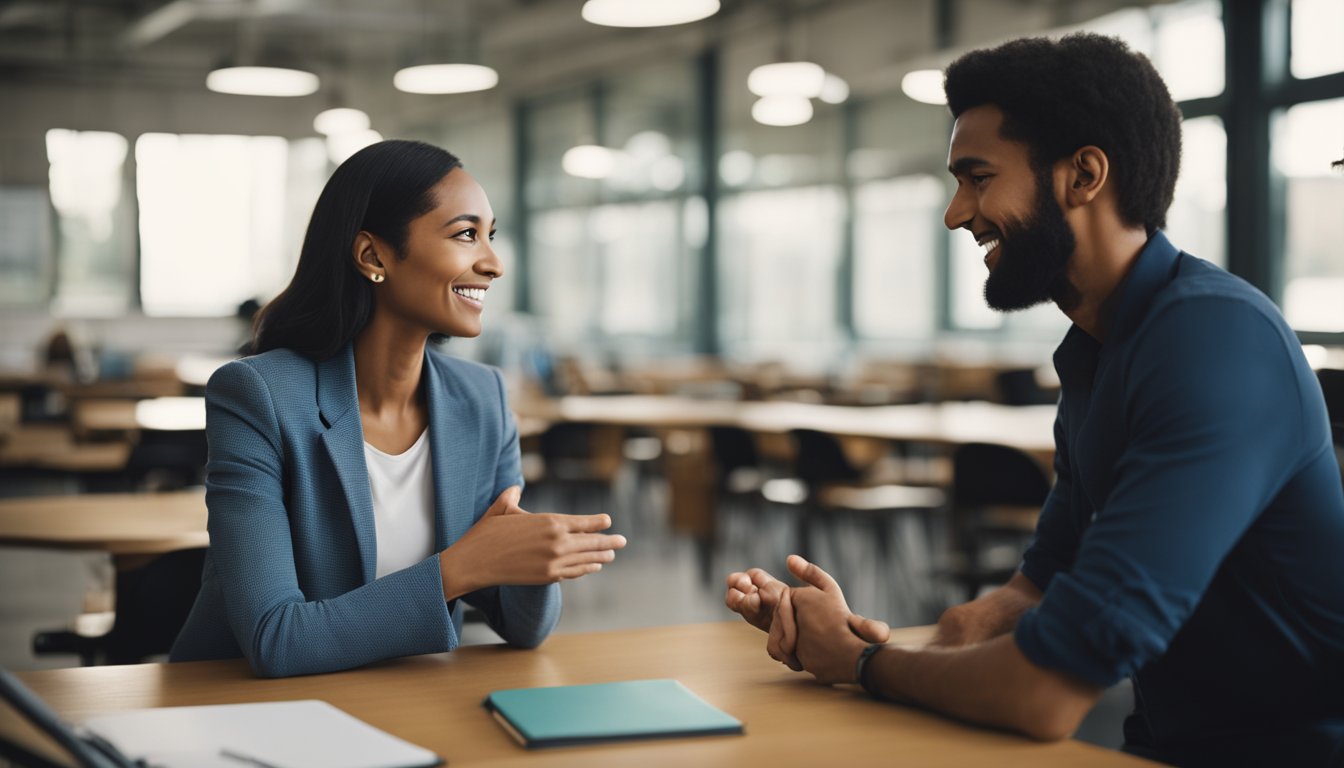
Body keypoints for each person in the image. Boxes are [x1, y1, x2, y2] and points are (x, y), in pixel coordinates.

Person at [726, 33, 1344, 767]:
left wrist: (859, 668)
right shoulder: (1099, 347)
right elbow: (1033, 591)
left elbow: (1044, 694)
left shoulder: (1212, 337)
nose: (957, 214)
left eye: (978, 178)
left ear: (1083, 175)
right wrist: (864, 639)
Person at [171, 140, 626, 678]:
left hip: (400, 701)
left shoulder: (481, 396)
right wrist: (461, 568)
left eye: (491, 235)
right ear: (373, 256)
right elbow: (276, 639)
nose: (493, 263)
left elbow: (523, 629)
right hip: (243, 712)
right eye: (465, 234)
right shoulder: (257, 395)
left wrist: (531, 557)